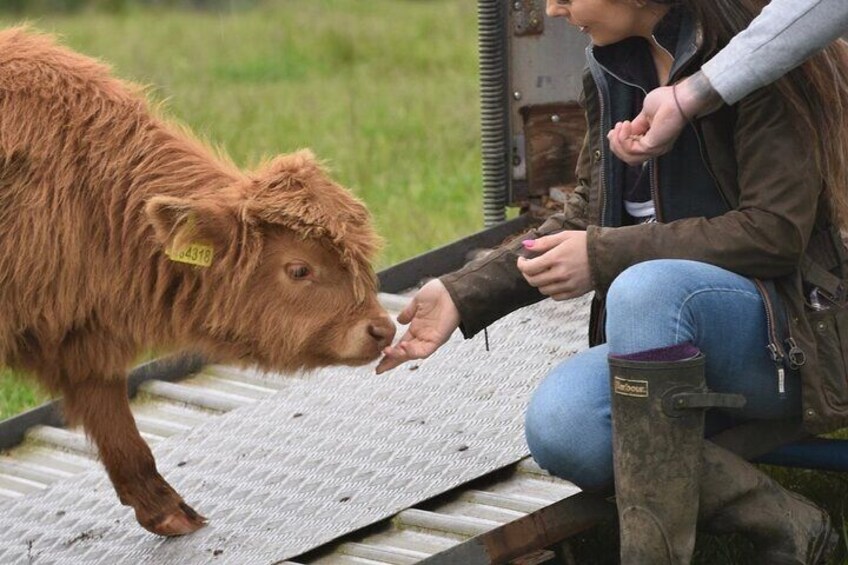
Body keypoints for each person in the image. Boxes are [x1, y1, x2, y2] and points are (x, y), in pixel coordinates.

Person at [377, 0, 848, 562]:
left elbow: (773, 232)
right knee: (564, 426)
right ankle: (787, 524)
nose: (552, 9)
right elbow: (588, 214)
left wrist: (603, 256)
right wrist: (462, 291)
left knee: (644, 287)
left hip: (787, 347)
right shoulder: (611, 65)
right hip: (667, 355)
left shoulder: (758, 58)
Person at [609, 0, 848, 165]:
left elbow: (770, 227)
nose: (569, 12)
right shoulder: (609, 64)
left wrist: (602, 242)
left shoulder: (750, 70)